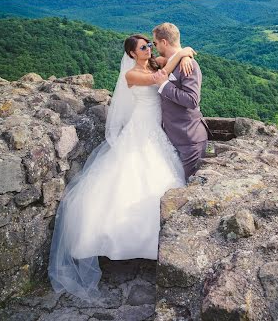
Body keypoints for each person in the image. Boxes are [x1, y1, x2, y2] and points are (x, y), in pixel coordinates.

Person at [48, 34, 195, 301]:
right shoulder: (134, 76)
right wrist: (184, 50)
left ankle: (157, 243)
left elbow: (168, 61)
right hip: (141, 128)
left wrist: (184, 53)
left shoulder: (151, 62)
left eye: (149, 45)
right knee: (131, 177)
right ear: (131, 54)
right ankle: (119, 243)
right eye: (142, 47)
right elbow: (161, 76)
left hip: (155, 130)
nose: (148, 48)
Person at [152, 22, 208, 180]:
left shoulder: (190, 65)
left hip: (189, 138)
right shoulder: (169, 61)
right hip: (171, 137)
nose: (155, 47)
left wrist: (164, 85)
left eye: (155, 43)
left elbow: (192, 100)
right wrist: (184, 53)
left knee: (189, 186)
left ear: (164, 42)